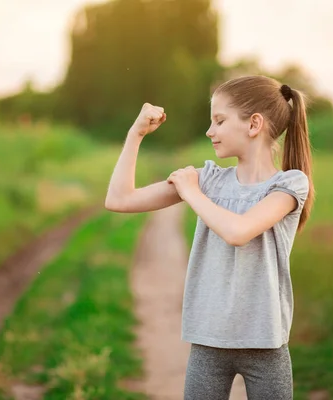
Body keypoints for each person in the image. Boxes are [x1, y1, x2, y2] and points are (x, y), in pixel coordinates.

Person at [105, 75, 314, 400]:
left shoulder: (289, 184)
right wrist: (136, 134)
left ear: (254, 124)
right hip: (208, 340)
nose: (209, 131)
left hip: (265, 343)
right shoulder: (209, 180)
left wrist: (191, 193)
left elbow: (238, 232)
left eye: (219, 121)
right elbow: (119, 200)